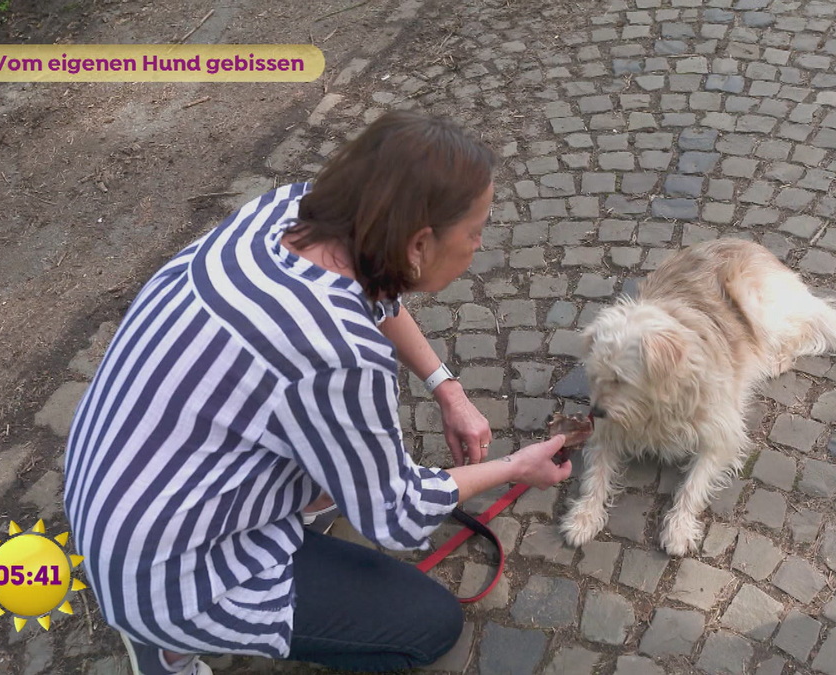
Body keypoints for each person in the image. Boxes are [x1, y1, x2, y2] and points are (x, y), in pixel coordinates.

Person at [62, 110, 574, 675]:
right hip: (164, 570)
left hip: (110, 480)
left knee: (331, 476)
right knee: (428, 627)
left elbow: (376, 293)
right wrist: (515, 467)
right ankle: (166, 645)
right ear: (419, 245)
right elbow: (397, 515)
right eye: (475, 233)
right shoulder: (339, 354)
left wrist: (446, 387)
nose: (478, 247)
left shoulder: (289, 209)